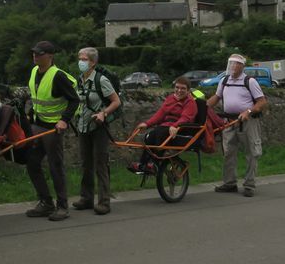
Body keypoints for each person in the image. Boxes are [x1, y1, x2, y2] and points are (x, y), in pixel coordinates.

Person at [25, 40, 80, 221]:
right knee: (32, 163)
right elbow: (37, 96)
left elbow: (74, 100)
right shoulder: (34, 71)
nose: (35, 56)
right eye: (34, 53)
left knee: (55, 166)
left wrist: (64, 120)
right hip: (38, 125)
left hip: (53, 129)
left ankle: (62, 206)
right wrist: (30, 113)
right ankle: (46, 202)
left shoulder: (58, 76)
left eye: (39, 53)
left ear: (50, 56)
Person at [207, 54, 267, 197]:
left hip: (247, 121)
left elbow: (262, 102)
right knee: (228, 152)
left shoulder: (250, 81)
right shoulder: (224, 80)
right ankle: (229, 183)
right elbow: (217, 97)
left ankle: (249, 185)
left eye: (236, 64)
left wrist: (248, 111)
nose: (233, 66)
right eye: (231, 63)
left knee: (252, 152)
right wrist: (203, 107)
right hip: (229, 121)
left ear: (242, 66)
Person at [73, 47, 121, 215]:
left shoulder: (101, 80)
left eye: (84, 59)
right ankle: (86, 198)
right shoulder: (80, 79)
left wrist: (103, 113)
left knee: (100, 164)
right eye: (80, 58)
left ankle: (104, 202)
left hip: (99, 127)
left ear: (93, 62)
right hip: (83, 126)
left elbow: (116, 101)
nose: (81, 62)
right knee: (86, 164)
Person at [127, 76, 198, 174]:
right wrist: (147, 124)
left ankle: (154, 165)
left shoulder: (190, 102)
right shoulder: (170, 99)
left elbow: (185, 118)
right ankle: (143, 164)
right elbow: (160, 114)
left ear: (188, 90)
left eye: (183, 88)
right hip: (167, 127)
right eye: (177, 87)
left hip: (182, 129)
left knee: (160, 133)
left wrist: (176, 126)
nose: (179, 90)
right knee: (150, 136)